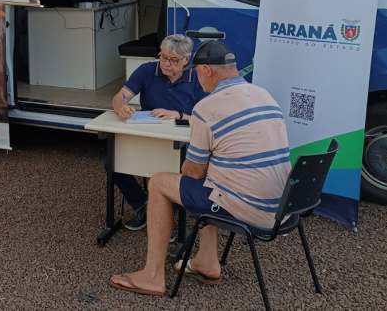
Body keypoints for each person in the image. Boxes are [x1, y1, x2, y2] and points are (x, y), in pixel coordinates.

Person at [109, 40, 290, 296]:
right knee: (213, 180)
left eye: (194, 69)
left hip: (251, 210)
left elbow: (193, 173)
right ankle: (207, 261)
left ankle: (152, 276)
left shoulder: (207, 108)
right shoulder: (265, 95)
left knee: (159, 182)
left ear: (205, 70)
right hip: (282, 206)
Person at [107, 34, 207, 230]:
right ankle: (144, 205)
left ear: (186, 60)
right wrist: (121, 107)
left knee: (184, 170)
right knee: (112, 162)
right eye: (163, 57)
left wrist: (179, 114)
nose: (166, 64)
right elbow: (120, 97)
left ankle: (164, 216)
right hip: (149, 136)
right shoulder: (147, 70)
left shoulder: (197, 78)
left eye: (173, 60)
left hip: (181, 142)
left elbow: (207, 117)